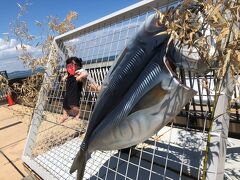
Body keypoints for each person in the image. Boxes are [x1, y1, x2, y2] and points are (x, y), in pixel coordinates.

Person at [60, 57, 88, 123]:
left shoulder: (79, 71)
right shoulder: (70, 72)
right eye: (69, 65)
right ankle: (65, 115)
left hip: (75, 90)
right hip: (68, 90)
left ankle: (77, 115)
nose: (70, 67)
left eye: (72, 65)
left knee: (73, 105)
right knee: (65, 104)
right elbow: (67, 75)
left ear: (78, 65)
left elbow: (85, 74)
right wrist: (64, 78)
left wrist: (80, 77)